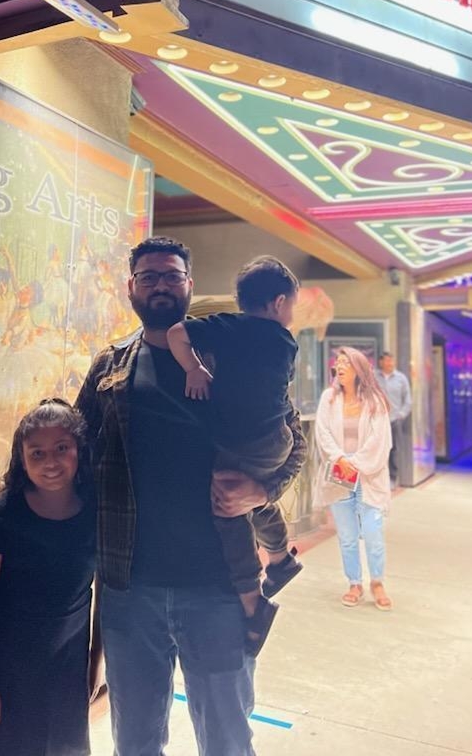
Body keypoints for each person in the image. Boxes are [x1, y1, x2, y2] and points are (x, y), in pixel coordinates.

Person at [0, 236, 307, 756]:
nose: (160, 285)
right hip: (130, 589)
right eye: (148, 276)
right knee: (135, 740)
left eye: (171, 275)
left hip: (218, 584)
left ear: (189, 284)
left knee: (227, 737)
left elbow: (292, 438)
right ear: (131, 288)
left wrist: (263, 490)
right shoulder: (112, 365)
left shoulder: (232, 352)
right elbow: (66, 440)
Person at [166, 255, 303, 649]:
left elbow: (177, 333)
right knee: (253, 499)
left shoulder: (226, 329)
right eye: (292, 306)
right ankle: (280, 558)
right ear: (279, 302)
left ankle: (251, 601)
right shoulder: (283, 341)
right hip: (273, 440)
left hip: (246, 443)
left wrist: (193, 369)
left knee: (228, 509)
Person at [0, 398, 99, 756]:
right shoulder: (3, 517)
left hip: (66, 668)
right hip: (6, 670)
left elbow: (104, 593)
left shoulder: (96, 511)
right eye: (37, 453)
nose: (50, 462)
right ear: (22, 458)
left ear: (79, 450)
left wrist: (96, 661)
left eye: (61, 449)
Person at [316, 346, 393, 610]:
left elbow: (380, 440)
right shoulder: (328, 398)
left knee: (372, 532)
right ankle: (354, 583)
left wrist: (355, 463)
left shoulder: (374, 401)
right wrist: (340, 459)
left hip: (369, 473)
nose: (339, 367)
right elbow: (322, 433)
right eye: (338, 362)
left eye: (346, 363)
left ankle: (377, 582)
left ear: (359, 369)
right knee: (347, 535)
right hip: (339, 471)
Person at [374, 351, 412, 487]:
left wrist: (401, 414)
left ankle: (392, 478)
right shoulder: (374, 377)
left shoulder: (401, 378)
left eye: (391, 360)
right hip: (377, 420)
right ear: (381, 362)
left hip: (394, 420)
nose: (390, 363)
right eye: (387, 360)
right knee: (376, 449)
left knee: (393, 449)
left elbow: (407, 400)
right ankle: (377, 477)